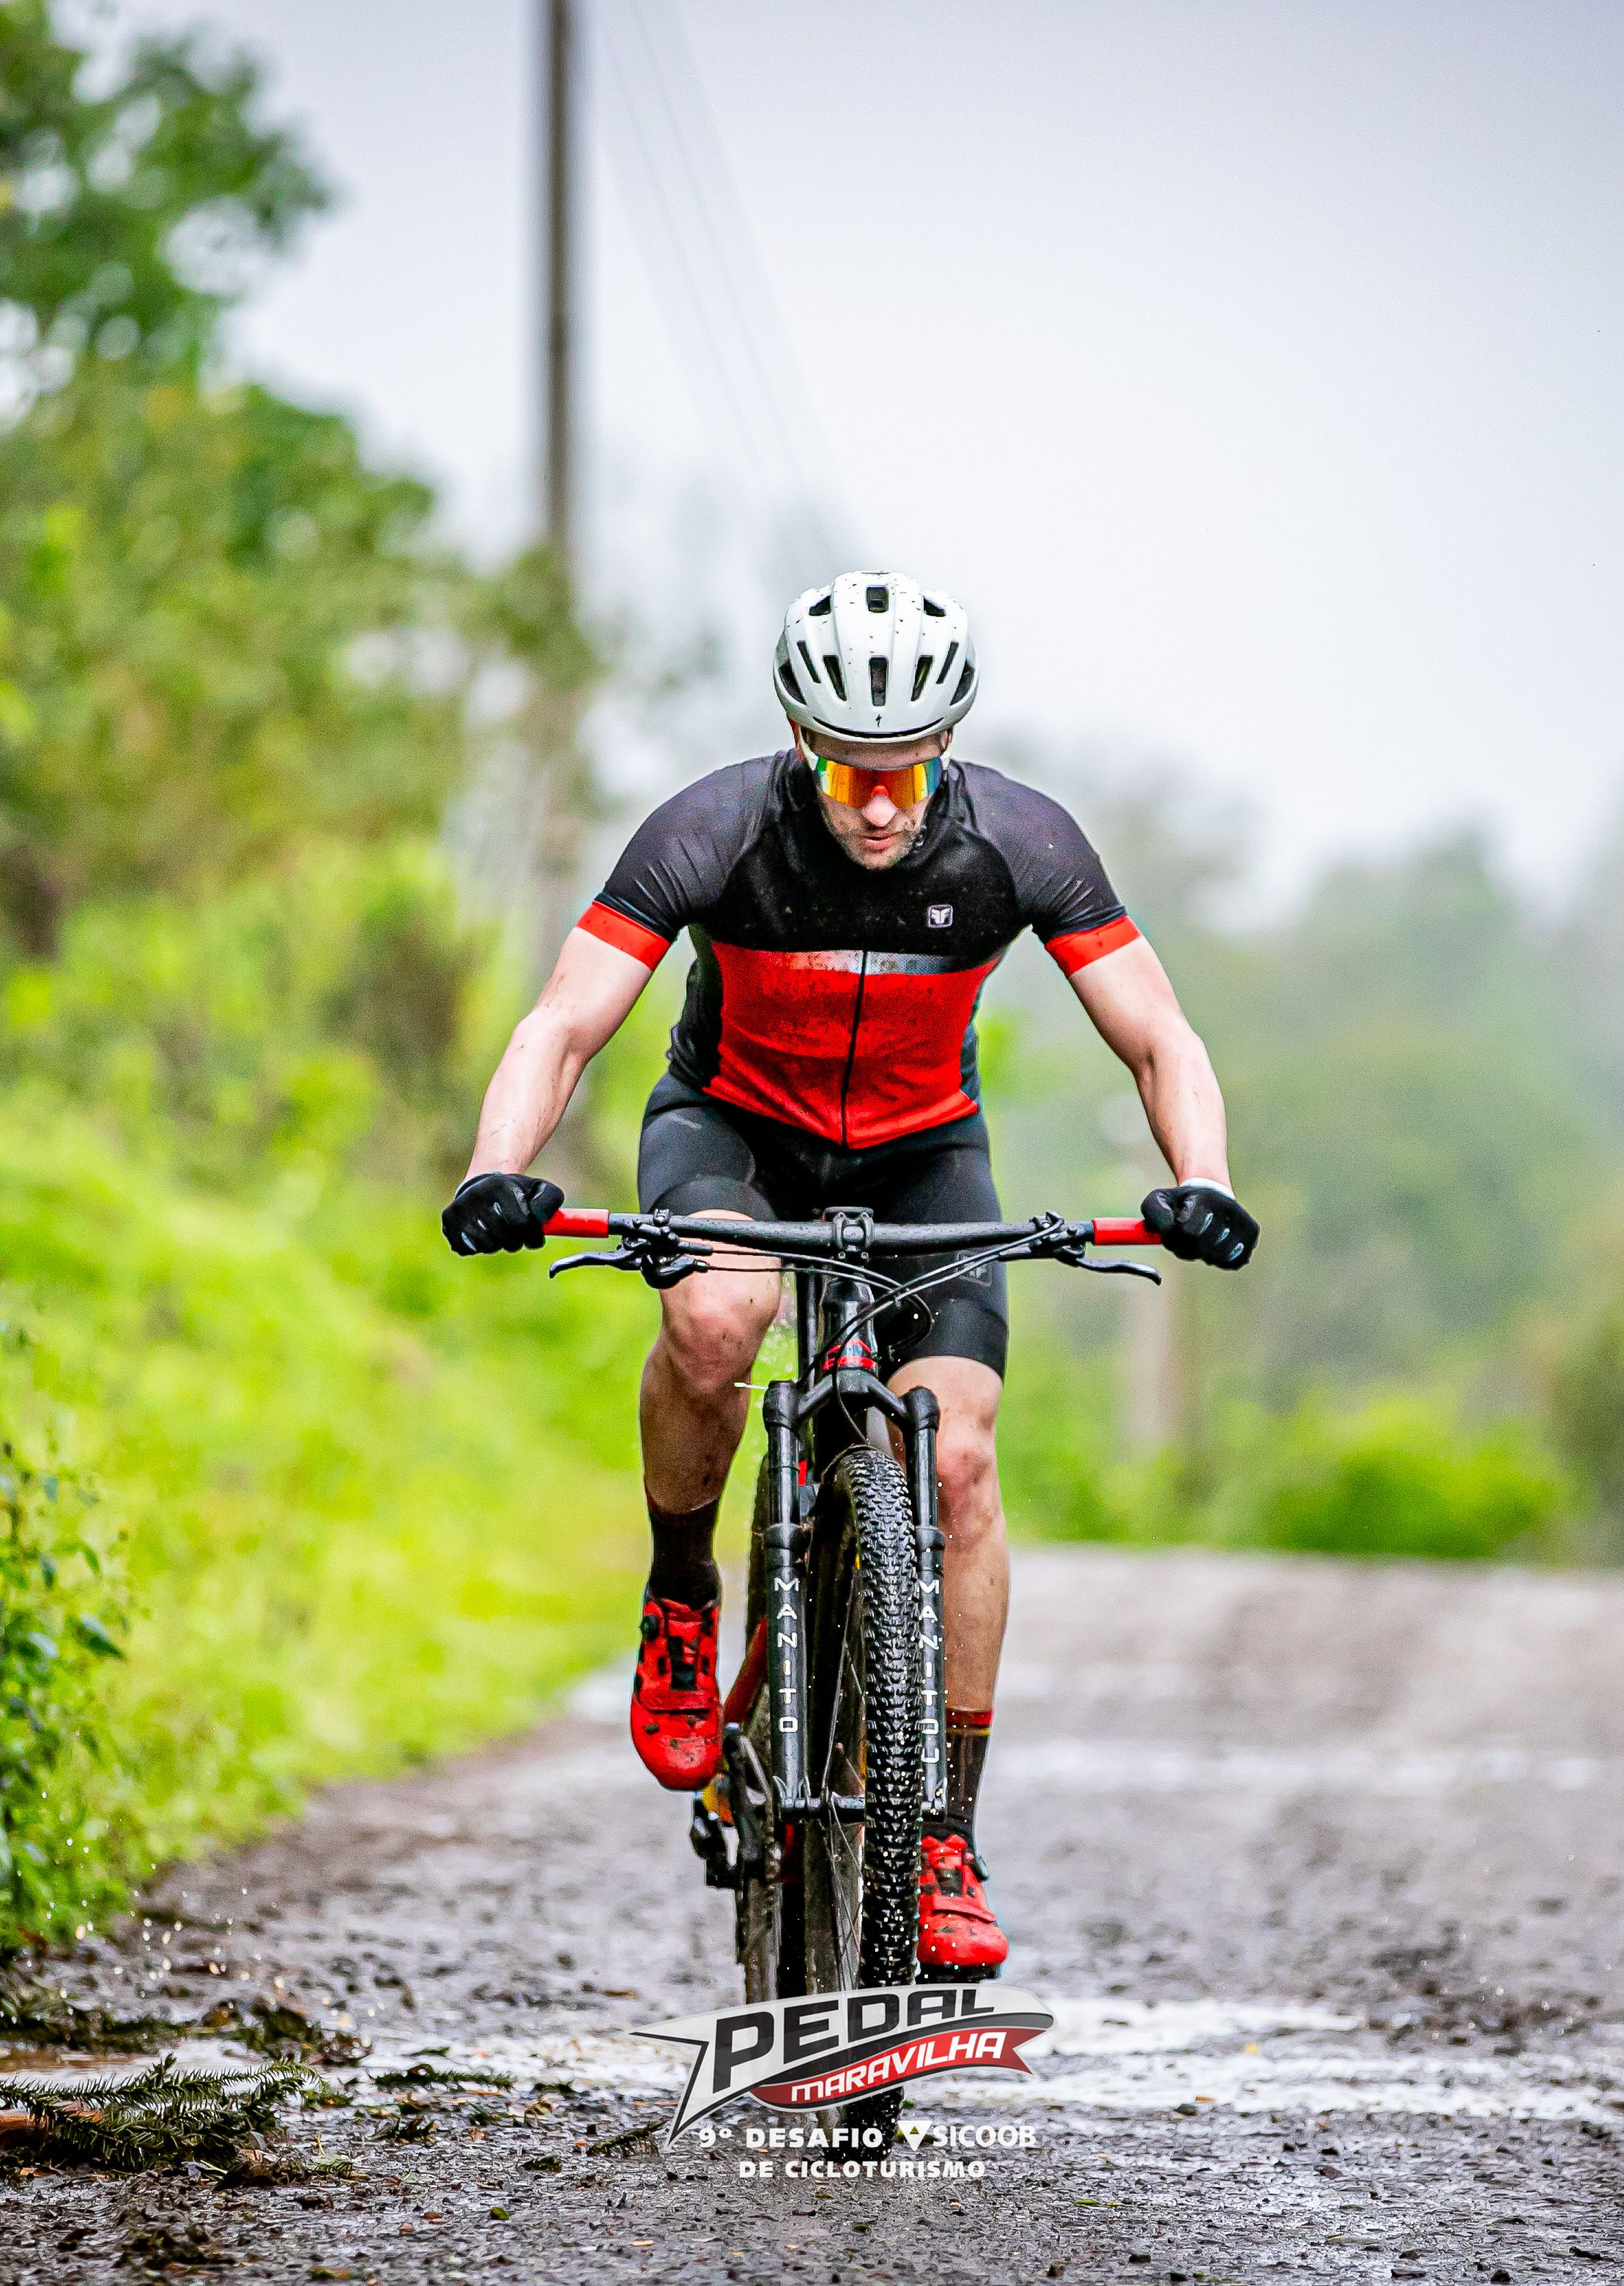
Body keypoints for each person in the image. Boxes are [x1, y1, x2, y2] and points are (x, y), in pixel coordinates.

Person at [442, 570, 1254, 1974]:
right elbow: (563, 1023)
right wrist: (494, 1165)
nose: (880, 807)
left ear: (949, 748)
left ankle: (941, 1837)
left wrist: (1207, 1180)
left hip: (923, 1157)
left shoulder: (1020, 843)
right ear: (798, 742)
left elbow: (1158, 1036)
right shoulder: (710, 831)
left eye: (907, 772)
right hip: (735, 1137)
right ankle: (683, 1597)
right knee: (719, 1317)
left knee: (960, 1464)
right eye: (846, 772)